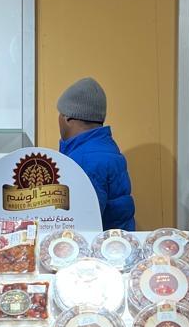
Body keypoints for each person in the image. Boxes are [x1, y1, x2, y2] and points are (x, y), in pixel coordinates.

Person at [57, 77, 136, 231]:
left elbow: (82, 224)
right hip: (116, 241)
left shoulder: (85, 160)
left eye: (60, 114)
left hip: (99, 244)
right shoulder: (105, 147)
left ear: (67, 118)